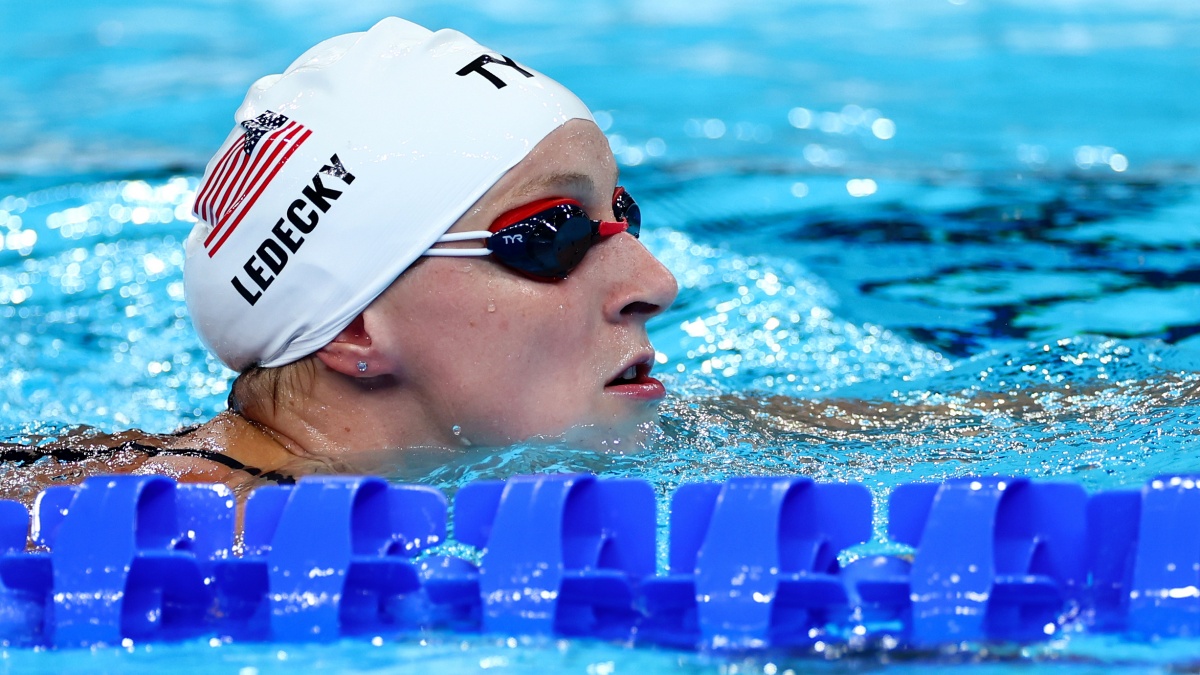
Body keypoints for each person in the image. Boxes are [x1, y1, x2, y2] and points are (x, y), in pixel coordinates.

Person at [0, 17, 678, 497]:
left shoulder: (694, 434)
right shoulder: (123, 530)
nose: (655, 282)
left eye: (623, 215)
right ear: (354, 324)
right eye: (550, 234)